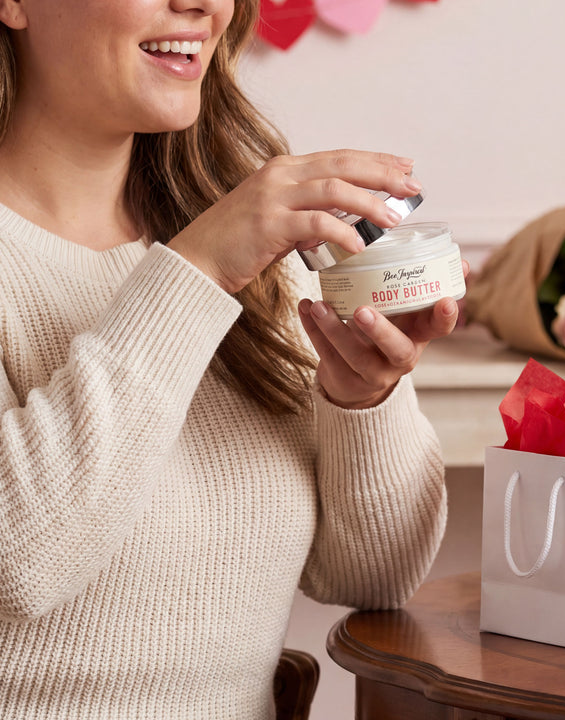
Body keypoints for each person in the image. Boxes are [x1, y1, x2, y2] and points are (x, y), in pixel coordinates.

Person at [0, 0, 460, 717]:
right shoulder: (220, 251)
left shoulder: (256, 249)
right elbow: (21, 560)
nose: (204, 4)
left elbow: (374, 579)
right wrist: (197, 271)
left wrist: (362, 399)